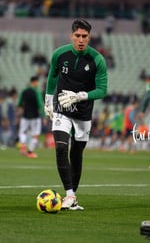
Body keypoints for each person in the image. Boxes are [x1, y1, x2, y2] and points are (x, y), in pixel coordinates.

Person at [44, 19, 107, 210]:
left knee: (77, 153)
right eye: (78, 36)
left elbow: (102, 90)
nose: (81, 40)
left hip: (83, 113)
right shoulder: (59, 54)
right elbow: (52, 75)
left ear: (90, 37)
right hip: (62, 108)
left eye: (85, 36)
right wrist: (48, 100)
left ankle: (73, 196)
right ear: (72, 35)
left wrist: (80, 96)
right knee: (61, 148)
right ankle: (69, 195)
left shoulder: (97, 60)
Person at [18, 75, 44, 158]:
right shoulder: (37, 92)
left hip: (25, 116)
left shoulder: (24, 91)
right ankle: (30, 152)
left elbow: (19, 103)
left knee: (22, 132)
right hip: (35, 117)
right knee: (35, 134)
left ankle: (22, 146)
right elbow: (40, 104)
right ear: (35, 82)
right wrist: (44, 116)